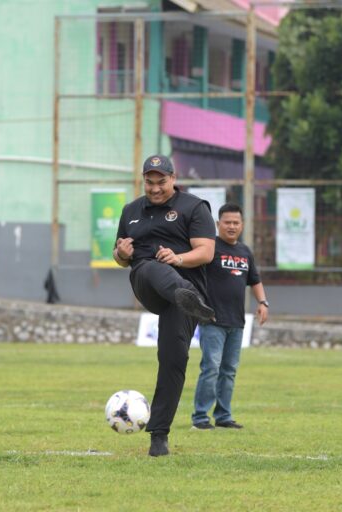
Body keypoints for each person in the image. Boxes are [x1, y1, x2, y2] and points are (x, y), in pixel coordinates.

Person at [114, 154, 216, 457]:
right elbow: (120, 258)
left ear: (173, 179)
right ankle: (187, 294)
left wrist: (178, 258)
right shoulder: (131, 211)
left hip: (184, 296)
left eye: (161, 182)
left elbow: (207, 252)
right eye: (150, 182)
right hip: (147, 282)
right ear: (143, 180)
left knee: (174, 359)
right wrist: (122, 253)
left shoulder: (194, 207)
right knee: (149, 265)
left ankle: (159, 436)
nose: (155, 188)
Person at [191, 203, 268, 430]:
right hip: (212, 320)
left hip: (237, 322)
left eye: (236, 222)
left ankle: (223, 416)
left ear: (242, 225)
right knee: (211, 368)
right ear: (218, 224)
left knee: (229, 371)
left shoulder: (245, 252)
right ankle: (200, 417)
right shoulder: (210, 248)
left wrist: (263, 302)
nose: (232, 226)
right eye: (227, 222)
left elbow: (255, 280)